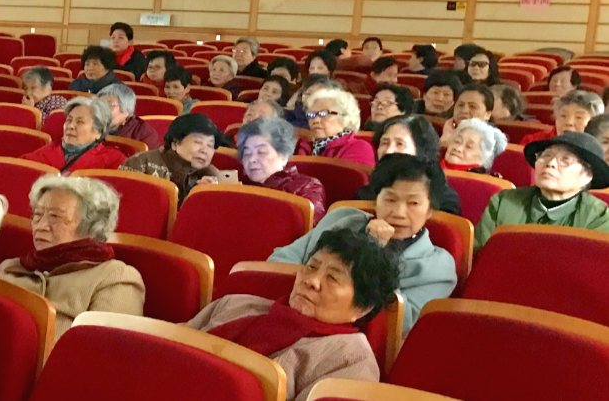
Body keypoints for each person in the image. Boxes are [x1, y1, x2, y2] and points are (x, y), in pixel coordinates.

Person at [188, 229, 400, 399]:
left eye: (333, 278)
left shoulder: (351, 362)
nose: (311, 281)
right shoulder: (234, 304)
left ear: (363, 307)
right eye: (311, 267)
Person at [271, 155, 457, 334]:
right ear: (376, 200)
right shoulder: (342, 219)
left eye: (413, 203)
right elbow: (280, 259)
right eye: (390, 199)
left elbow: (404, 324)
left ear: (430, 210)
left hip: (352, 342)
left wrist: (376, 249)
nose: (399, 212)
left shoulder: (438, 267)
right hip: (288, 316)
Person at [0, 175, 145, 337]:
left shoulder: (115, 278)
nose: (41, 226)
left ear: (90, 226)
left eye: (55, 217)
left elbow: (105, 348)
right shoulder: (10, 268)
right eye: (37, 215)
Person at [475, 132, 609, 250]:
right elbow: (482, 255)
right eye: (546, 155)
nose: (550, 163)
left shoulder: (598, 217)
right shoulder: (504, 201)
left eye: (565, 160)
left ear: (587, 176)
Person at [364, 115, 461, 216]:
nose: (389, 151)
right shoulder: (367, 192)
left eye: (399, 144)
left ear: (421, 151)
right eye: (384, 143)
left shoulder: (444, 201)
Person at [238, 117, 326, 222]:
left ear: (284, 156)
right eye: (247, 153)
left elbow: (309, 228)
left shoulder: (307, 187)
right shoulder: (237, 186)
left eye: (261, 152)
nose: (252, 159)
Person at [120, 113, 221, 204]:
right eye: (198, 142)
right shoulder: (140, 164)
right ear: (175, 144)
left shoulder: (212, 175)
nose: (204, 150)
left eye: (210, 145)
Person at [21, 97, 126, 173]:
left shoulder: (114, 161)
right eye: (69, 120)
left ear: (98, 132)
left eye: (80, 122)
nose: (70, 126)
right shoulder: (42, 155)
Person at [297, 87, 375, 165]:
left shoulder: (359, 147)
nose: (315, 120)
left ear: (345, 118)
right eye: (311, 115)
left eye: (323, 114)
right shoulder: (302, 147)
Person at [522, 89, 606, 146]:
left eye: (579, 117)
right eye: (563, 116)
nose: (569, 122)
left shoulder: (603, 147)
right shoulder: (532, 142)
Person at [99, 83, 160, 149]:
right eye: (99, 104)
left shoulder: (143, 133)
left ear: (127, 111)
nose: (101, 109)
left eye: (108, 105)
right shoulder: (92, 124)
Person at [441, 118, 508, 174]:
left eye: (469, 146)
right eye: (457, 141)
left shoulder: (481, 183)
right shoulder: (435, 166)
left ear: (483, 158)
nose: (458, 148)